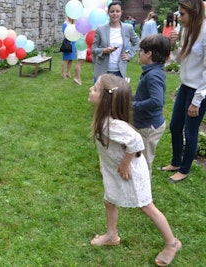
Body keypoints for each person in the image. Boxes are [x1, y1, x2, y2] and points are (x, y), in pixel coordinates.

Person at [88, 73, 182, 267]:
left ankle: (172, 243)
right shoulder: (104, 118)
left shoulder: (112, 125)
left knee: (146, 206)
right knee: (109, 200)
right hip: (114, 170)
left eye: (95, 88)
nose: (91, 89)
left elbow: (136, 141)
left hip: (130, 172)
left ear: (106, 100)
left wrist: (124, 164)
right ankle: (112, 235)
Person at [159, 0, 206, 182]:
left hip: (199, 91)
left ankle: (184, 170)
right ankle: (176, 162)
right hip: (185, 85)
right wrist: (174, 45)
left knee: (190, 131)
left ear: (193, 13)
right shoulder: (186, 29)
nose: (179, 17)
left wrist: (197, 100)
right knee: (175, 126)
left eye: (182, 14)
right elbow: (180, 60)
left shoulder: (204, 32)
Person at [133, 34, 171, 175]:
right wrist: (126, 98)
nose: (139, 53)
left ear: (148, 54)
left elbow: (157, 101)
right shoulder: (151, 71)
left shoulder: (153, 75)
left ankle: (144, 195)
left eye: (141, 51)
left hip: (149, 127)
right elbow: (144, 95)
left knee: (143, 162)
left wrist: (133, 105)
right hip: (143, 124)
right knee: (137, 157)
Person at [91, 1, 140, 81]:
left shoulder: (128, 28)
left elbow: (138, 42)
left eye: (117, 11)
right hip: (102, 71)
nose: (115, 14)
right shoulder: (101, 29)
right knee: (101, 93)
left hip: (119, 72)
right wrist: (104, 50)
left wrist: (129, 55)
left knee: (117, 93)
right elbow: (93, 49)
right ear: (108, 13)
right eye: (112, 11)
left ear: (121, 13)